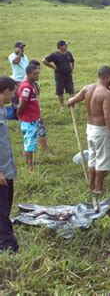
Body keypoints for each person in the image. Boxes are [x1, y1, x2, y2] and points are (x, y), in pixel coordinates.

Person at [67, 66, 110, 194]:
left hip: (90, 129)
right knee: (102, 159)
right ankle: (98, 188)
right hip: (101, 130)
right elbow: (107, 116)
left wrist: (71, 102)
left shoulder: (87, 88)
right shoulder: (106, 93)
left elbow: (71, 101)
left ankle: (91, 186)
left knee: (93, 157)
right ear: (107, 76)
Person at [0, 76, 19, 253]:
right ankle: (6, 245)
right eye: (13, 91)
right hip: (1, 173)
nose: (14, 94)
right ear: (5, 91)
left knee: (6, 205)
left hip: (7, 168)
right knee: (2, 209)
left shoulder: (2, 110)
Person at [17, 64, 43, 170]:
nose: (37, 76)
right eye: (35, 74)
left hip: (33, 118)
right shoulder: (27, 87)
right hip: (29, 119)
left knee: (31, 142)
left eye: (38, 73)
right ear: (28, 74)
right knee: (29, 143)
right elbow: (22, 103)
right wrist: (19, 114)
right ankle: (29, 166)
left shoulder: (32, 84)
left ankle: (30, 162)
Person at [42, 40, 75, 110]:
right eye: (65, 45)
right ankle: (62, 106)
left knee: (71, 90)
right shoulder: (55, 55)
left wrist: (72, 69)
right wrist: (53, 67)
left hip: (68, 75)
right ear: (60, 46)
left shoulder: (68, 53)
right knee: (60, 91)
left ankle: (72, 104)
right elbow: (44, 60)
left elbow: (72, 61)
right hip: (59, 76)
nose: (67, 46)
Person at [28, 60, 51, 156]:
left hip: (36, 111)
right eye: (36, 72)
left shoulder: (36, 84)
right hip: (31, 114)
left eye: (39, 71)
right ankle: (44, 152)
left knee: (40, 131)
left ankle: (43, 150)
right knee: (39, 132)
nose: (38, 74)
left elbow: (37, 97)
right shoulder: (27, 85)